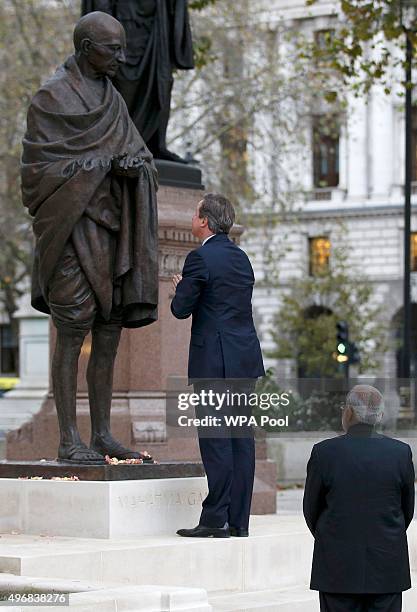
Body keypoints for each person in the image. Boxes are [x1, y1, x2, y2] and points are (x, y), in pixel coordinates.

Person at [21, 12, 159, 464]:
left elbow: (138, 153)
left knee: (108, 330)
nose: (123, 56)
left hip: (111, 232)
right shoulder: (51, 97)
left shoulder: (113, 99)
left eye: (122, 48)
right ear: (85, 48)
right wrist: (102, 165)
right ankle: (67, 438)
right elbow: (37, 176)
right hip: (71, 233)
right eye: (112, 49)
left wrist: (136, 169)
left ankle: (101, 434)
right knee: (72, 329)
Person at [171, 193, 265, 537]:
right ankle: (238, 521)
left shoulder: (199, 259)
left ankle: (215, 520)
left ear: (205, 221)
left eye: (195, 213)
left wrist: (181, 289)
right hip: (244, 361)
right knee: (241, 440)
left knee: (216, 440)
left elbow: (181, 310)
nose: (192, 218)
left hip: (214, 363)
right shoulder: (243, 259)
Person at [303, 385, 415, 612]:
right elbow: (407, 509)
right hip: (387, 564)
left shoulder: (324, 452)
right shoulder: (400, 453)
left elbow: (311, 509)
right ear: (380, 415)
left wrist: (332, 537)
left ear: (348, 413)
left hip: (337, 566)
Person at [81, 0, 194, 162]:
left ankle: (155, 145)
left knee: (160, 82)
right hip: (124, 21)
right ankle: (117, 144)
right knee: (122, 82)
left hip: (156, 26)